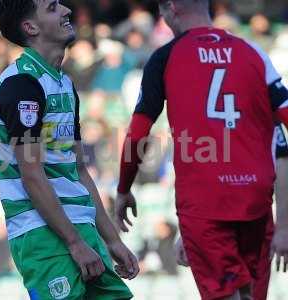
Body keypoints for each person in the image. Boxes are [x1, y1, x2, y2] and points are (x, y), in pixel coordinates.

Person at [115, 0, 288, 299]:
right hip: (255, 199)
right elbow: (284, 125)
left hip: (204, 203)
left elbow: (138, 132)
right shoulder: (253, 53)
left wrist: (123, 187)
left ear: (171, 8)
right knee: (248, 294)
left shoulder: (164, 57)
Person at [0, 1, 138, 299]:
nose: (67, 10)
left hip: (80, 228)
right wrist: (74, 243)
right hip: (42, 235)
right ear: (30, 27)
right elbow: (31, 175)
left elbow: (78, 169)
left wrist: (111, 240)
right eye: (53, 7)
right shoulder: (22, 84)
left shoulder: (64, 84)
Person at [175, 123, 288, 300]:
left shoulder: (262, 99)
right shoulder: (203, 115)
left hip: (254, 223)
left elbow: (281, 159)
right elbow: (199, 172)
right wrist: (188, 230)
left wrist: (283, 228)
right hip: (211, 224)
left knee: (249, 295)